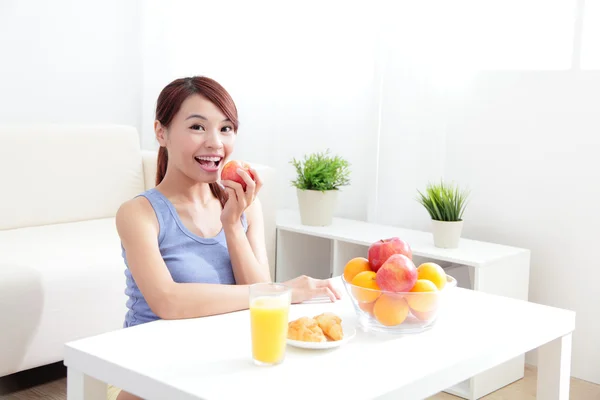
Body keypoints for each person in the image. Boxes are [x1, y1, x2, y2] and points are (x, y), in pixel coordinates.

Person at [108, 76, 341, 400]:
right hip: (146, 372)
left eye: (226, 128)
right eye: (197, 127)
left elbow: (261, 299)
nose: (215, 143)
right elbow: (168, 301)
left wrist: (232, 224)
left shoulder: (245, 208)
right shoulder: (139, 214)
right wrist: (284, 291)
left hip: (218, 364)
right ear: (161, 132)